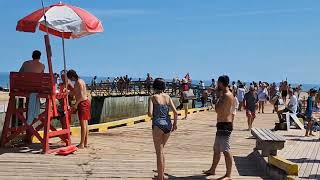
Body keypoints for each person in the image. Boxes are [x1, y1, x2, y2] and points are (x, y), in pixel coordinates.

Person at [204, 75, 234, 180]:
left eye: (218, 83)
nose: (217, 84)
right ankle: (212, 169)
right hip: (221, 124)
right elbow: (217, 90)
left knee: (226, 150)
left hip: (225, 125)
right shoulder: (225, 92)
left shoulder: (226, 96)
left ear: (221, 83)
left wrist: (216, 98)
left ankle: (228, 174)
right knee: (216, 149)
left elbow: (218, 109)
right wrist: (213, 91)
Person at [148, 78, 178, 180]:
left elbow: (150, 114)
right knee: (161, 151)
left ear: (154, 86)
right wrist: (175, 124)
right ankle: (162, 175)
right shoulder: (168, 97)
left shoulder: (152, 97)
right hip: (168, 126)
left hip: (158, 125)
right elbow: (175, 112)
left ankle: (160, 177)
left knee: (159, 152)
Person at [67, 70, 91, 149]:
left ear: (73, 76)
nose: (70, 80)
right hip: (85, 102)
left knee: (83, 124)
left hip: (82, 103)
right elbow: (74, 92)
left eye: (70, 78)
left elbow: (81, 96)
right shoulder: (81, 81)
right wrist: (67, 92)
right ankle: (85, 142)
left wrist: (75, 105)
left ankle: (81, 144)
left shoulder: (78, 82)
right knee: (85, 123)